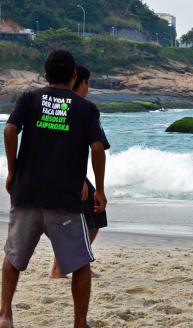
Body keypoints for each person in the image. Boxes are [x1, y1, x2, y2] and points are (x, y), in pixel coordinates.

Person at [1, 50, 108, 328]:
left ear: (45, 75)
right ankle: (79, 323)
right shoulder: (86, 108)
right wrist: (100, 189)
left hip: (27, 193)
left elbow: (10, 130)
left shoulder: (29, 98)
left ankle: (4, 315)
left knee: (13, 258)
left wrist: (13, 170)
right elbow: (97, 148)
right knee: (80, 263)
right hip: (65, 199)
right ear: (74, 76)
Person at [50, 64, 110, 279]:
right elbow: (96, 148)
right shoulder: (83, 107)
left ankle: (71, 263)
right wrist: (80, 180)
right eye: (88, 83)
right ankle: (61, 267)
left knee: (88, 217)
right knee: (82, 217)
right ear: (81, 81)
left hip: (54, 170)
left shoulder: (53, 105)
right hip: (69, 173)